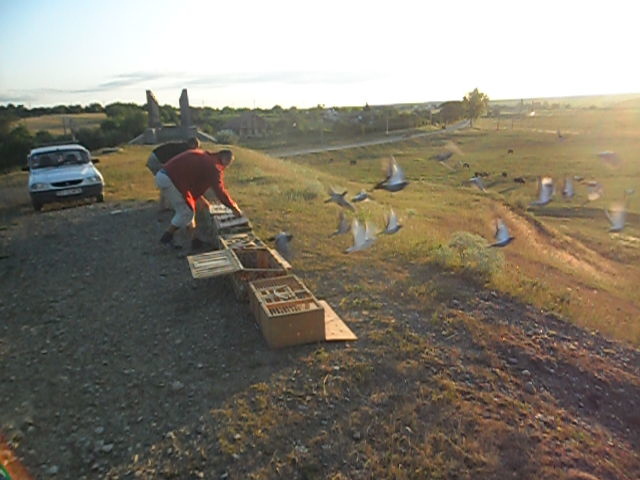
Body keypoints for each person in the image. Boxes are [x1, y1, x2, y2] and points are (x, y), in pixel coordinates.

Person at [155, 149, 243, 249]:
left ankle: (194, 240)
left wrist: (199, 198)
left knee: (189, 209)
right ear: (223, 157)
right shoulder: (212, 166)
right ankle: (166, 239)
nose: (226, 166)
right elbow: (220, 191)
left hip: (167, 176)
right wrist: (233, 207)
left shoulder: (205, 156)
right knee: (186, 212)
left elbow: (192, 179)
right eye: (228, 162)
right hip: (170, 179)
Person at [146, 137, 200, 209]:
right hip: (156, 161)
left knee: (167, 182)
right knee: (168, 181)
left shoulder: (181, 146)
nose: (195, 150)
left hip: (154, 158)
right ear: (192, 144)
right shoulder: (184, 150)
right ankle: (165, 206)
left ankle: (165, 205)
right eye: (196, 147)